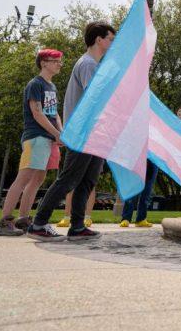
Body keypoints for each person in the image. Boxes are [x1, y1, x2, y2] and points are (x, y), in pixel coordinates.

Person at [27, 21, 115, 242]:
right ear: (99, 40)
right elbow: (95, 97)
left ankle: (77, 227)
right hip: (83, 133)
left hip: (94, 134)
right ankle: (38, 223)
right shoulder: (88, 64)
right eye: (111, 39)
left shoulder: (94, 64)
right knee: (68, 180)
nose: (113, 43)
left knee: (87, 181)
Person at [0, 50, 65, 236]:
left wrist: (60, 133)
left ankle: (23, 219)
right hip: (36, 138)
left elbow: (54, 113)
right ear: (44, 63)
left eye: (60, 61)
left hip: (50, 139)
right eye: (56, 61)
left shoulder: (52, 86)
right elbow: (37, 113)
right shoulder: (35, 84)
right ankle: (4, 221)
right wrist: (56, 133)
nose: (60, 64)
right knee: (24, 178)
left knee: (38, 179)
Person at [118, 160, 158, 228]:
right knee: (132, 191)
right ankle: (126, 218)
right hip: (138, 159)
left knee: (146, 192)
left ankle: (141, 219)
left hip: (153, 160)